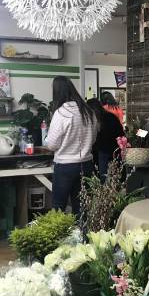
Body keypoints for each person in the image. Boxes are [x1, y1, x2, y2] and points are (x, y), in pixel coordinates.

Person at [46, 76, 98, 216]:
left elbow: (51, 144)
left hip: (65, 166)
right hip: (86, 164)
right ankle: (82, 236)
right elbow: (93, 139)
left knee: (58, 206)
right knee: (82, 207)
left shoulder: (61, 113)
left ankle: (59, 238)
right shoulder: (88, 111)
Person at [87, 98, 124, 180]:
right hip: (115, 150)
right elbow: (121, 133)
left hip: (103, 151)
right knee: (115, 176)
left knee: (103, 177)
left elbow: (95, 138)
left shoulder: (97, 119)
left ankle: (105, 191)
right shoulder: (111, 116)